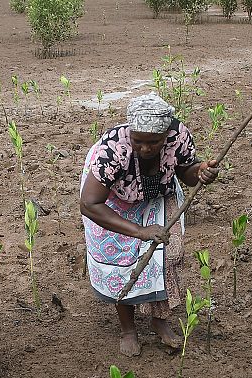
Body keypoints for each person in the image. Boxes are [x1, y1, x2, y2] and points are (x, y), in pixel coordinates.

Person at [79, 94, 218, 357]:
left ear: (166, 135)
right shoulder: (112, 150)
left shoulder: (178, 136)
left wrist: (200, 171)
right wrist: (139, 232)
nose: (145, 149)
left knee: (168, 255)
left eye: (153, 142)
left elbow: (185, 172)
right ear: (130, 133)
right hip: (111, 201)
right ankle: (128, 329)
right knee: (122, 262)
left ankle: (159, 320)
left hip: (158, 193)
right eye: (138, 141)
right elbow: (89, 204)